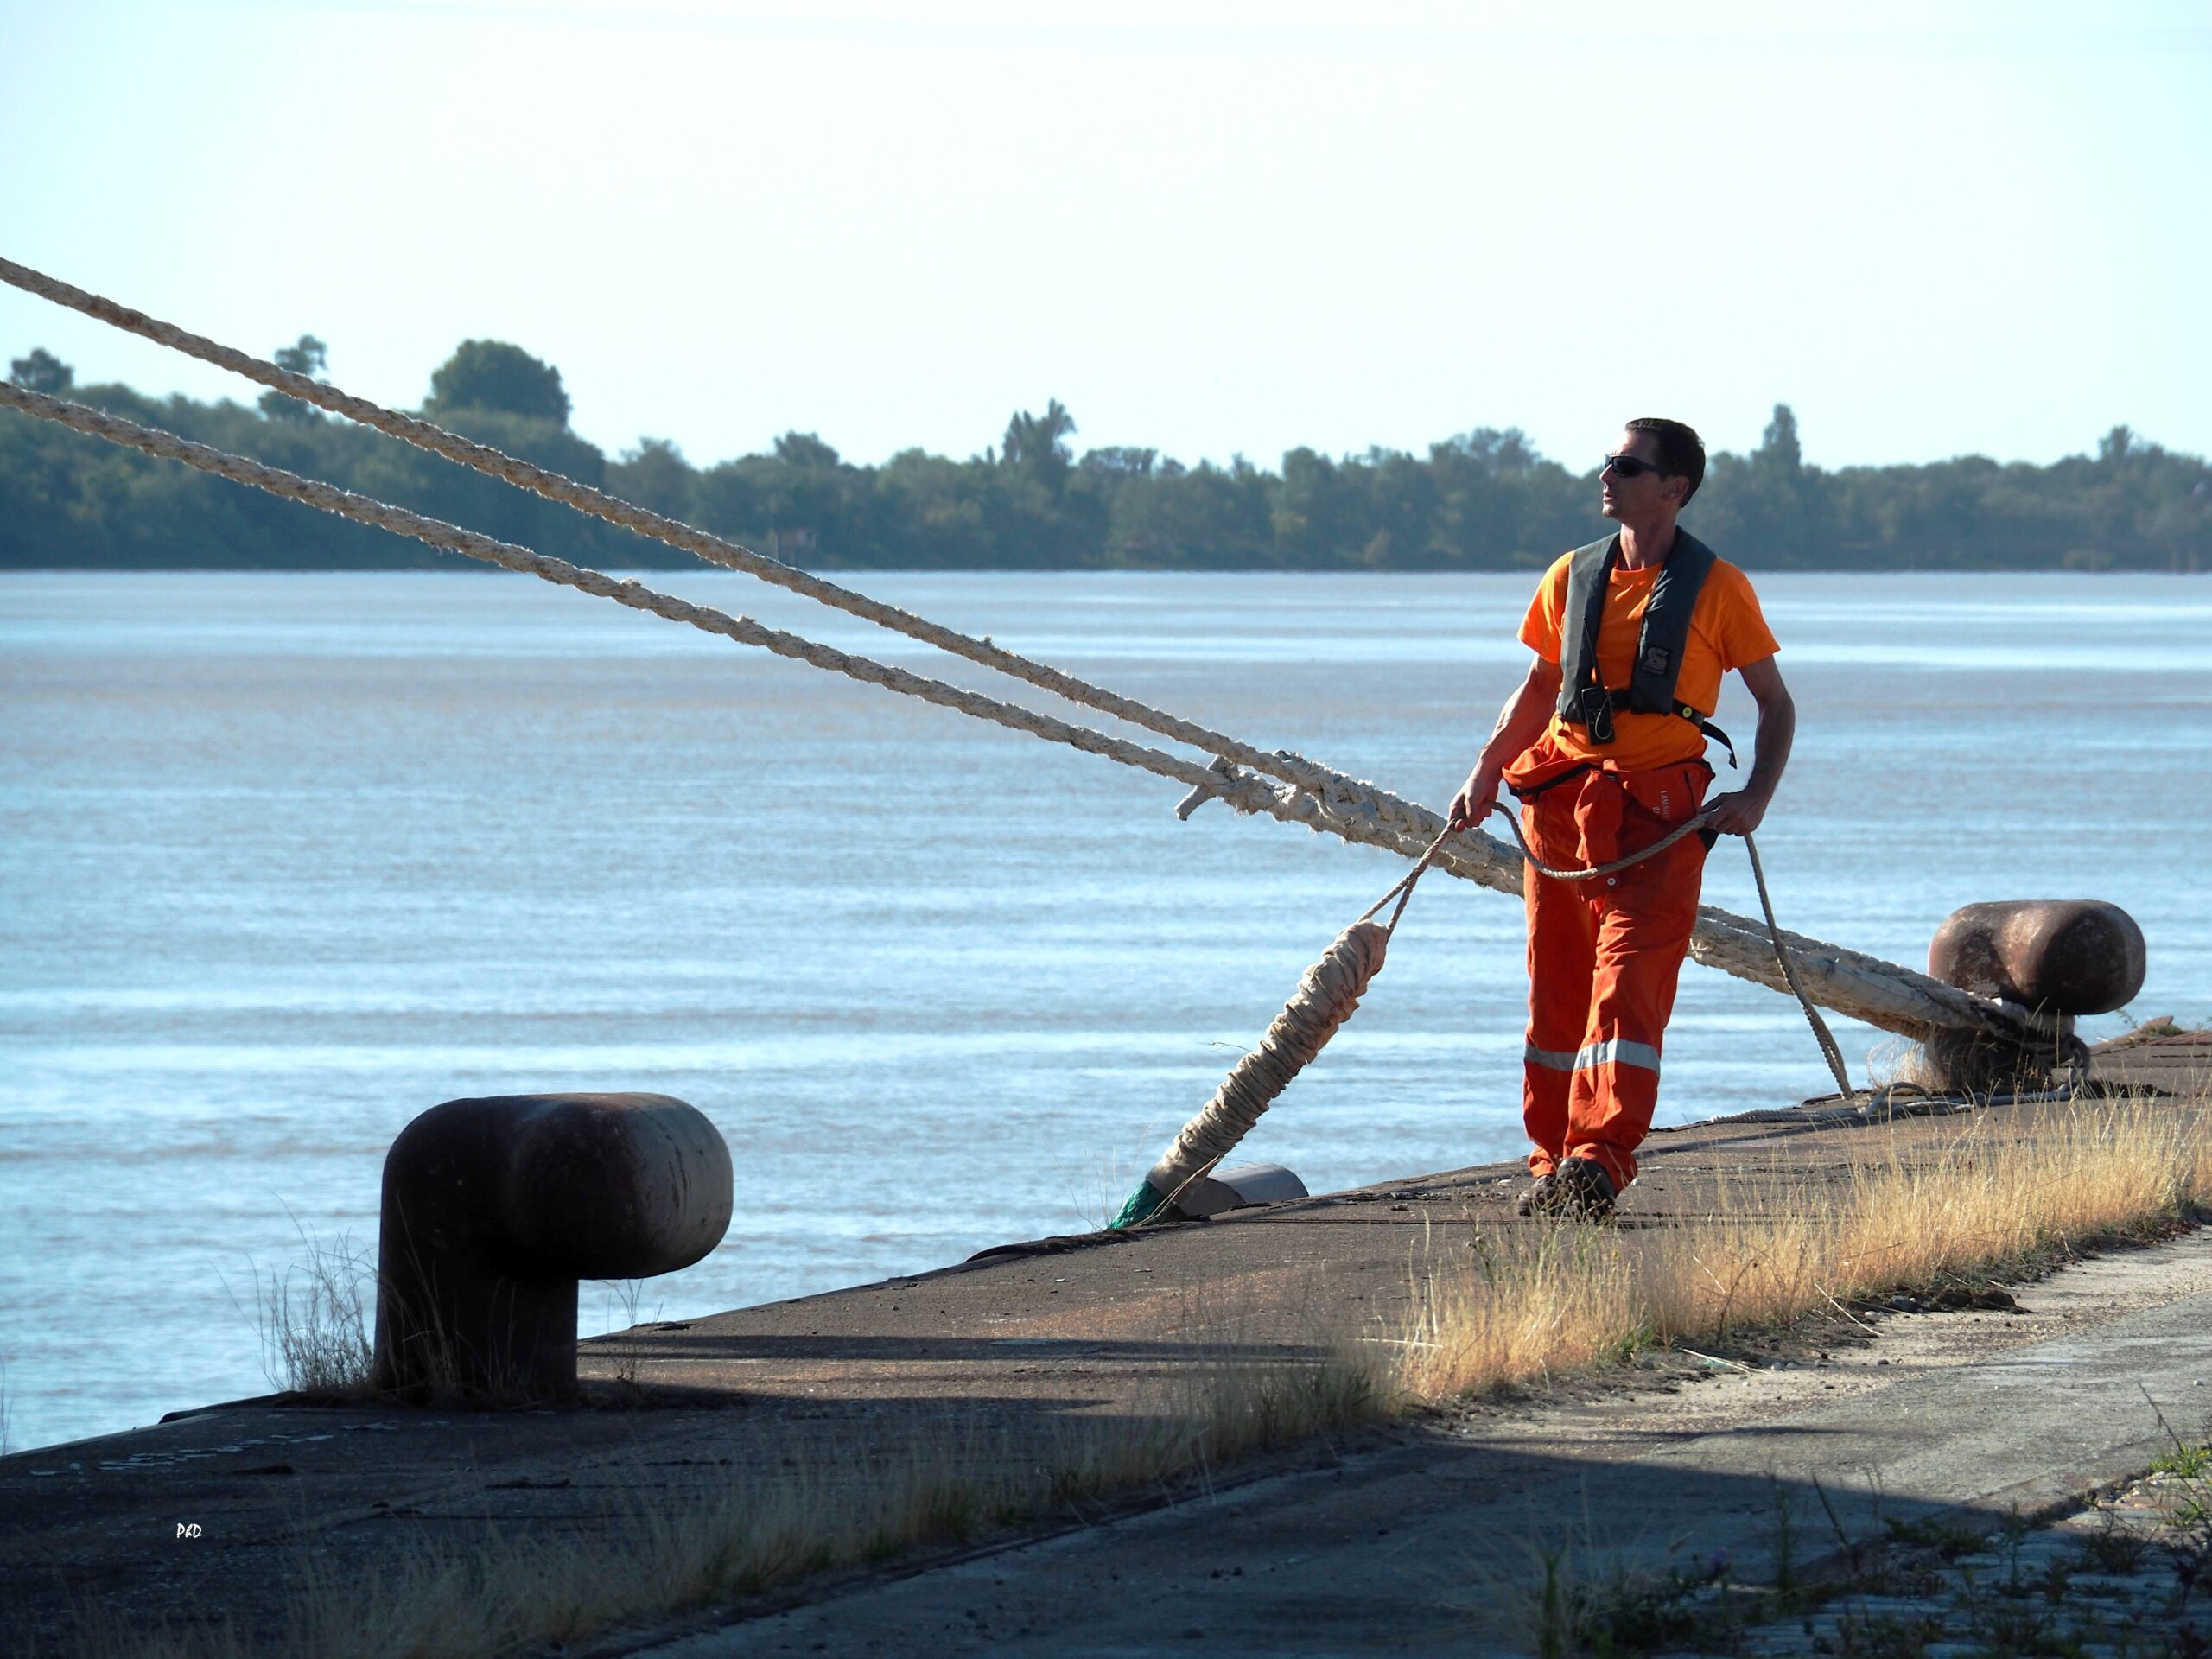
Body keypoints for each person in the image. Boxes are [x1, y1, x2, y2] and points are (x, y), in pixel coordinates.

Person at [1448, 418, 1794, 1218]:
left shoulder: (1719, 588)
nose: (1608, 474)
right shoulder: (1570, 577)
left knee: (1627, 992)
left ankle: (1598, 1164)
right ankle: (1550, 1163)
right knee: (1557, 995)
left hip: (1659, 823)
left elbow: (1775, 703)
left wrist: (1756, 797)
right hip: (1561, 814)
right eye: (1609, 461)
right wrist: (1485, 769)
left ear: (1673, 489)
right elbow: (1539, 688)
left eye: (1627, 466)